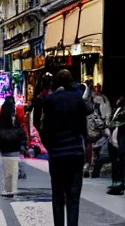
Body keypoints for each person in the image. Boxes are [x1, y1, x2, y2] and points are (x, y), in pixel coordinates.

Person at [40, 70, 87, 226]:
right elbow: (83, 127)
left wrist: (51, 148)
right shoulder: (78, 99)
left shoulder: (50, 100)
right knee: (73, 198)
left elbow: (44, 129)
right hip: (75, 153)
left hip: (57, 155)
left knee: (58, 197)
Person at [0, 97, 26, 197]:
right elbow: (21, 130)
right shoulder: (15, 115)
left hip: (5, 146)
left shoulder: (2, 116)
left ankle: (8, 189)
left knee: (7, 168)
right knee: (13, 167)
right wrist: (23, 143)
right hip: (15, 145)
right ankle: (12, 188)